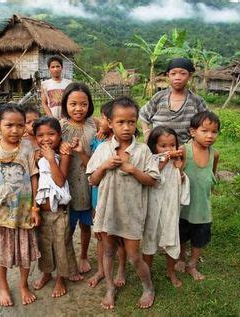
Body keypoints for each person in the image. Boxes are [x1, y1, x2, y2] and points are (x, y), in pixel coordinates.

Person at [86, 96, 161, 310]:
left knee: (134, 256)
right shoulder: (103, 150)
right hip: (108, 211)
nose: (127, 127)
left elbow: (153, 181)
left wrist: (133, 170)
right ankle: (110, 287)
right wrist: (105, 166)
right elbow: (93, 180)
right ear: (110, 123)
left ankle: (148, 287)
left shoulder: (143, 151)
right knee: (108, 251)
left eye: (131, 121)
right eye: (120, 122)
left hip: (132, 213)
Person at [0, 104, 41, 307]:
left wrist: (35, 207)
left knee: (25, 252)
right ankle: (3, 285)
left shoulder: (28, 148)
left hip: (23, 214)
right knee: (0, 251)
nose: (15, 130)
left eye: (20, 125)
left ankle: (23, 284)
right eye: (9, 125)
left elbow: (34, 178)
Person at [31, 116, 79, 298]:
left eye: (51, 134)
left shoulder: (63, 153)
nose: (46, 139)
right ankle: (46, 273)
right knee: (44, 245)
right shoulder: (36, 154)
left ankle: (60, 278)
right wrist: (39, 158)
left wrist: (51, 159)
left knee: (61, 245)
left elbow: (60, 181)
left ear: (60, 135)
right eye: (40, 135)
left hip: (59, 212)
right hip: (41, 212)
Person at [142, 126, 190, 288]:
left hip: (171, 208)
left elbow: (181, 181)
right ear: (154, 147)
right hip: (153, 209)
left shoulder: (177, 162)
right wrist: (163, 161)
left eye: (172, 145)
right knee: (150, 239)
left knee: (172, 239)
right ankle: (146, 272)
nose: (168, 149)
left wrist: (180, 168)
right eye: (163, 145)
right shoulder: (151, 161)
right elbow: (151, 179)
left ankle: (170, 271)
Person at [87, 100, 127, 289]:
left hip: (120, 198)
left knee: (119, 235)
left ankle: (121, 269)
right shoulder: (100, 142)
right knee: (102, 234)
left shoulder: (127, 146)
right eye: (102, 118)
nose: (99, 121)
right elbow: (92, 174)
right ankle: (102, 270)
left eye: (103, 117)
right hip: (99, 195)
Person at [176, 110, 220, 281]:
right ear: (193, 132)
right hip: (183, 206)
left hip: (202, 207)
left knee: (199, 238)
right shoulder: (184, 150)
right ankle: (180, 257)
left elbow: (212, 175)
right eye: (205, 131)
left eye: (214, 132)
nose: (210, 136)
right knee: (180, 235)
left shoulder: (214, 154)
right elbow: (176, 173)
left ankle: (192, 264)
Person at [59, 82, 97, 276]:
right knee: (67, 225)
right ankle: (69, 259)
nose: (78, 108)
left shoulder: (94, 125)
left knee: (85, 223)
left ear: (89, 104)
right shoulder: (59, 127)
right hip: (67, 182)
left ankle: (83, 255)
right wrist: (60, 147)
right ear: (65, 104)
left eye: (83, 104)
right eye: (73, 104)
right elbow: (45, 142)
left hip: (87, 182)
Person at [139, 57, 207, 145]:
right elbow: (143, 114)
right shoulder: (159, 97)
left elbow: (207, 122)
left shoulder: (196, 101)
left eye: (183, 73)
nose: (177, 77)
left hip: (185, 151)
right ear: (168, 75)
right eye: (173, 74)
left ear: (189, 76)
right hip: (158, 150)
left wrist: (194, 140)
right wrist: (146, 133)